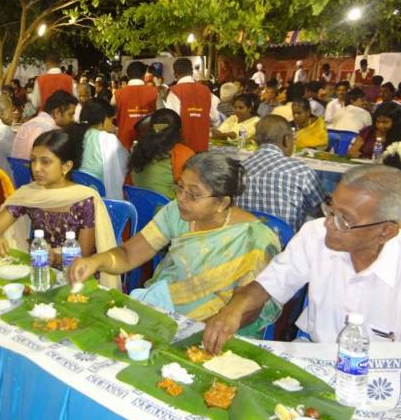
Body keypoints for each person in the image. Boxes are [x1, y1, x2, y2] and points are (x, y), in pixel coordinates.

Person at [69, 152, 281, 333]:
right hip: (162, 312)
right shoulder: (176, 212)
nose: (181, 198)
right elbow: (129, 254)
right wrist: (95, 261)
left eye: (193, 194)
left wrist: (194, 331)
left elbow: (248, 309)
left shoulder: (255, 240)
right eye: (180, 188)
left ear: (222, 202)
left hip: (216, 329)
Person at [203, 165, 401, 350]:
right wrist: (233, 311)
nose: (328, 224)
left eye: (344, 220)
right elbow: (268, 285)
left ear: (386, 231)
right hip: (316, 355)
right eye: (330, 210)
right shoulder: (314, 235)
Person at [0, 128, 118, 287]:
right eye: (33, 160)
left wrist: (55, 257)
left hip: (77, 274)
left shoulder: (84, 199)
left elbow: (83, 255)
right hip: (40, 268)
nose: (36, 168)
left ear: (66, 166)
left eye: (45, 161)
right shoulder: (30, 195)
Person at [237, 115, 325, 230]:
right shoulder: (301, 172)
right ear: (286, 139)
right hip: (286, 244)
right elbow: (323, 211)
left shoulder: (238, 170)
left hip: (247, 241)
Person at [129, 109, 195, 200]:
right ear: (179, 131)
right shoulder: (183, 153)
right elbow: (192, 190)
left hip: (140, 210)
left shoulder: (138, 150)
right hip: (167, 211)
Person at [73, 99, 129, 199]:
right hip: (100, 198)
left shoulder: (72, 134)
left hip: (75, 196)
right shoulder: (107, 140)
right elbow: (125, 165)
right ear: (103, 119)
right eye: (111, 120)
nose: (112, 125)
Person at [165, 58, 220, 152]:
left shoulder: (174, 91)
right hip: (203, 144)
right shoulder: (206, 90)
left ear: (175, 74)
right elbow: (215, 118)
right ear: (191, 72)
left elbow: (173, 121)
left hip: (183, 146)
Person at [11, 90, 77, 159]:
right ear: (57, 113)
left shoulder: (26, 125)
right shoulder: (53, 132)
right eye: (70, 114)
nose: (73, 119)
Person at [111, 61, 158, 150]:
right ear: (144, 74)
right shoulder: (154, 92)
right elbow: (161, 116)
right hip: (147, 142)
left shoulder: (117, 94)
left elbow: (111, 112)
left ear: (128, 75)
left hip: (124, 142)